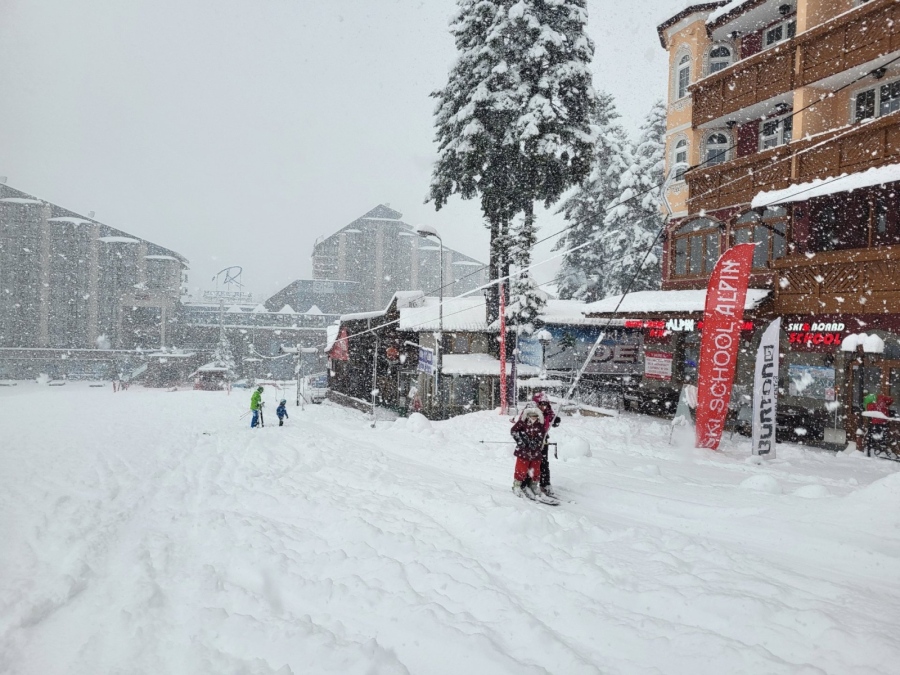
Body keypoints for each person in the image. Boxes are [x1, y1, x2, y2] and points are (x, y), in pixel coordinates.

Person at [511, 407, 558, 504]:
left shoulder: (540, 425)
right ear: (527, 416)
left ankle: (533, 485)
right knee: (521, 468)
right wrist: (522, 440)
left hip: (535, 452)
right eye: (531, 416)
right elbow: (514, 431)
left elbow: (542, 435)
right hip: (523, 451)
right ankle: (517, 485)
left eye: (535, 416)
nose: (533, 418)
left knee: (535, 469)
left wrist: (536, 442)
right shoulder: (522, 423)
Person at [528, 391, 561, 497]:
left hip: (543, 439)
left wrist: (555, 420)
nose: (544, 407)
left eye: (546, 404)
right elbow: (523, 422)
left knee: (544, 462)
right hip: (531, 439)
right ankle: (527, 484)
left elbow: (551, 418)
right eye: (541, 404)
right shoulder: (531, 410)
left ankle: (545, 484)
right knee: (531, 463)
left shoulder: (548, 411)